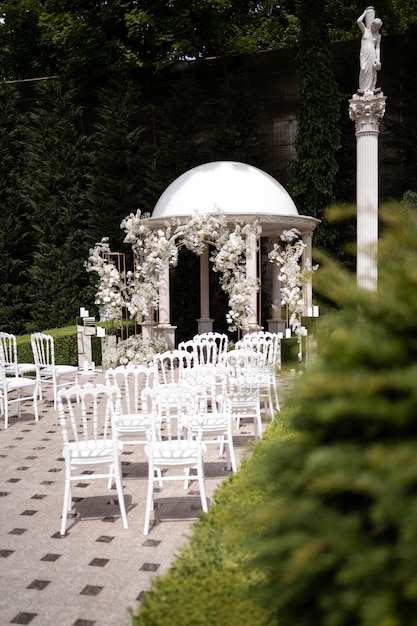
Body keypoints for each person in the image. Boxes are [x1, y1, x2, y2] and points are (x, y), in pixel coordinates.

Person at [357, 7, 382, 92]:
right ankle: (363, 89)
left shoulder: (378, 36)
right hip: (364, 52)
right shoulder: (365, 31)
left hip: (372, 54)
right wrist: (364, 13)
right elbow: (358, 21)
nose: (374, 27)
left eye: (376, 27)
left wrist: (378, 58)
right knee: (363, 69)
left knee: (372, 71)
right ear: (371, 24)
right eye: (374, 25)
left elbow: (377, 48)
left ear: (378, 27)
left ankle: (370, 89)